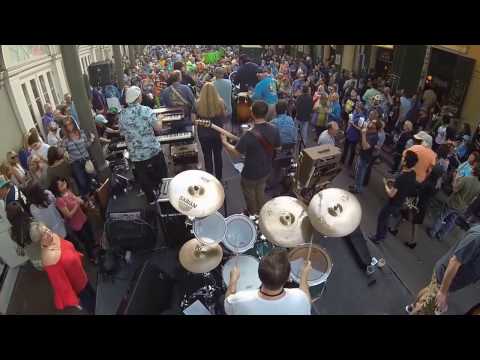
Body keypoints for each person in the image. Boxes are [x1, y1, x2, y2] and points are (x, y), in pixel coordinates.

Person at [221, 101, 281, 215]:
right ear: (266, 113)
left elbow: (235, 153)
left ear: (252, 114)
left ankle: (254, 216)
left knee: (250, 195)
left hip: (250, 173)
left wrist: (224, 142)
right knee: (260, 191)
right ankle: (263, 215)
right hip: (266, 170)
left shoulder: (248, 135)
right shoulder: (274, 129)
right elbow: (278, 147)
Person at [406, 225, 480, 315]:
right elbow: (454, 262)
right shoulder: (476, 237)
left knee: (429, 291)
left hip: (447, 279)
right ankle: (415, 309)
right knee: (425, 309)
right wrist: (442, 292)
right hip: (444, 278)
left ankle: (413, 307)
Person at [30, 222, 96, 314]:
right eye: (44, 234)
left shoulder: (53, 236)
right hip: (78, 287)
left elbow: (68, 248)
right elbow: (61, 284)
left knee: (95, 297)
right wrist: (75, 301)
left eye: (47, 229)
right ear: (40, 241)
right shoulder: (49, 260)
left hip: (82, 275)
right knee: (92, 306)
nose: (49, 233)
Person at [224, 249, 312, 315]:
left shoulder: (241, 299)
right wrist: (304, 276)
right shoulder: (300, 298)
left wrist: (233, 280)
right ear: (288, 278)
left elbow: (227, 305)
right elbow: (306, 299)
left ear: (259, 276)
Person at [119, 86, 167, 205]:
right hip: (152, 150)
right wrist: (160, 118)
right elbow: (158, 128)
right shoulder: (146, 110)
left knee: (143, 177)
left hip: (136, 154)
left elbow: (123, 133)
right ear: (138, 97)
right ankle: (164, 195)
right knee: (162, 173)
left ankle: (150, 199)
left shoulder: (122, 115)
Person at [369, 150, 418, 246]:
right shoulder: (413, 173)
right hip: (400, 202)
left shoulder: (402, 178)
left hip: (393, 202)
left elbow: (391, 194)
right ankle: (383, 235)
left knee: (382, 218)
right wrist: (394, 181)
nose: (402, 158)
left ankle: (378, 237)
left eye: (404, 158)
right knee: (386, 218)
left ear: (405, 162)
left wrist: (385, 185)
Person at [50, 177, 97, 263]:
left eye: (63, 182)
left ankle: (95, 246)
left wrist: (82, 200)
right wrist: (77, 204)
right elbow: (68, 215)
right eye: (61, 185)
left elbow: (76, 199)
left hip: (82, 217)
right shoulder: (59, 200)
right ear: (56, 189)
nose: (64, 184)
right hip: (76, 225)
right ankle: (92, 257)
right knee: (86, 241)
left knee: (90, 234)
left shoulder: (68, 191)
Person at [428, 165, 480, 241]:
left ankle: (433, 232)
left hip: (454, 202)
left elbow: (455, 189)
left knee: (442, 216)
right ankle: (441, 235)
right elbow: (474, 199)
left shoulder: (466, 179)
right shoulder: (478, 186)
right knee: (451, 221)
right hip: (463, 206)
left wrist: (456, 179)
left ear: (474, 171)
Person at [195, 82, 226, 180]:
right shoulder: (220, 102)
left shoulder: (197, 103)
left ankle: (210, 179)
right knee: (218, 155)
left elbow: (193, 120)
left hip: (203, 134)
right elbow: (224, 116)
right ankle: (219, 178)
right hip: (217, 132)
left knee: (207, 156)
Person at [61, 117, 93, 196]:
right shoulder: (65, 139)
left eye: (70, 123)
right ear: (65, 127)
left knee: (91, 178)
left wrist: (91, 140)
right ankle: (87, 198)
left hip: (86, 159)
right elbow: (62, 150)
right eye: (67, 125)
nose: (69, 126)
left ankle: (93, 196)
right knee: (82, 182)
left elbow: (86, 145)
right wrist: (64, 152)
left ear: (73, 123)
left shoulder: (81, 132)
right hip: (75, 163)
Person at [6, 202, 42, 270]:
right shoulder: (32, 226)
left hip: (35, 261)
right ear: (22, 211)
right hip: (47, 257)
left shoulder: (11, 231)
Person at [349, 119, 381, 194]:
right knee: (358, 172)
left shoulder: (374, 136)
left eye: (373, 123)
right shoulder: (370, 131)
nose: (370, 123)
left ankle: (358, 189)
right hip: (362, 154)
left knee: (361, 174)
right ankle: (356, 185)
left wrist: (363, 134)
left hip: (365, 157)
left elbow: (365, 147)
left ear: (375, 127)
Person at [341, 101, 366, 167]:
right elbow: (350, 121)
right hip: (349, 133)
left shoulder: (362, 117)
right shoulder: (354, 112)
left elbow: (360, 129)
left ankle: (350, 163)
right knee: (345, 147)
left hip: (355, 136)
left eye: (357, 106)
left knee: (352, 150)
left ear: (360, 108)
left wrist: (353, 124)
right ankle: (342, 160)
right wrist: (347, 128)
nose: (355, 107)